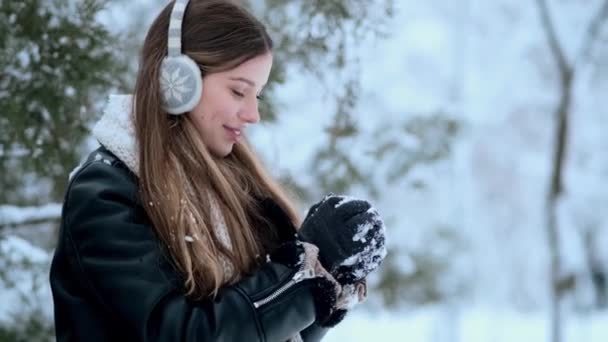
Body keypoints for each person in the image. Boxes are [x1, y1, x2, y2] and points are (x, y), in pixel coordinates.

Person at [49, 0, 387, 341]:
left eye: (259, 95)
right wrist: (303, 276)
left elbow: (265, 330)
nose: (253, 114)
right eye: (239, 90)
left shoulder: (238, 189)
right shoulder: (106, 193)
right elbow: (183, 333)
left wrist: (329, 277)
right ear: (177, 80)